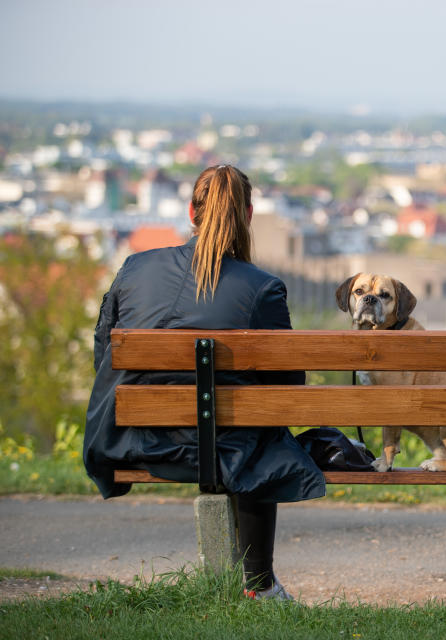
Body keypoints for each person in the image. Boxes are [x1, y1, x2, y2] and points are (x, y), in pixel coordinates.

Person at [84, 165, 327, 600]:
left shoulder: (135, 267)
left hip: (129, 441)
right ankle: (259, 584)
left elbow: (104, 354)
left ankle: (256, 585)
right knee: (261, 429)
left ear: (191, 212)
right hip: (224, 452)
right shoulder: (263, 287)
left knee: (250, 427)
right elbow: (288, 389)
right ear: (247, 215)